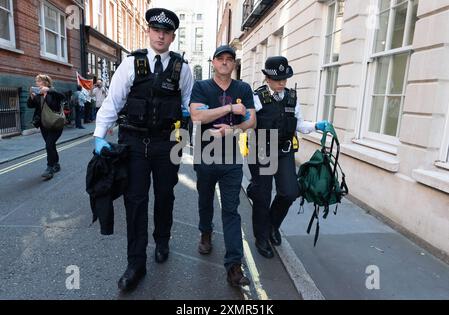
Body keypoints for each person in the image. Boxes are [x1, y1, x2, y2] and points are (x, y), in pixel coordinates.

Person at [93, 8, 193, 292]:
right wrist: (99, 137)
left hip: (167, 144)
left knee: (165, 196)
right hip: (134, 144)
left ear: (172, 36)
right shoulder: (130, 64)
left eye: (166, 32)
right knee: (134, 202)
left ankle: (162, 239)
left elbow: (188, 107)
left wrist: (182, 143)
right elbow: (112, 103)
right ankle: (135, 264)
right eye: (156, 30)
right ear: (149, 32)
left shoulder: (181, 68)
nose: (160, 35)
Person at [247, 56, 330, 258]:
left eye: (285, 78)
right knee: (263, 196)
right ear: (267, 78)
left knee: (290, 192)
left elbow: (299, 124)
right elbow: (247, 123)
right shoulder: (257, 98)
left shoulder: (292, 98)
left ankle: (273, 225)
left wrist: (315, 126)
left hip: (284, 151)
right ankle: (261, 237)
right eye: (278, 79)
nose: (282, 82)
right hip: (262, 151)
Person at [189, 45, 256, 287]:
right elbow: (197, 116)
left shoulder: (243, 88)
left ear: (234, 64)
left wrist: (233, 128)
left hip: (231, 159)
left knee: (231, 210)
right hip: (205, 154)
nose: (225, 62)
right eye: (220, 59)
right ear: (214, 62)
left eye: (229, 59)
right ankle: (206, 232)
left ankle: (234, 267)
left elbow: (252, 120)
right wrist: (229, 108)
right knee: (205, 200)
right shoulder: (201, 87)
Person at [27, 74, 66, 181]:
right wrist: (31, 97)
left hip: (56, 124)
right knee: (50, 145)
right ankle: (56, 164)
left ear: (45, 83)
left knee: (49, 145)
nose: (36, 83)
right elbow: (30, 106)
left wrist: (48, 90)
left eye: (38, 81)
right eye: (36, 81)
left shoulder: (53, 92)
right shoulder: (38, 95)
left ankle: (49, 168)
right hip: (44, 124)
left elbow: (63, 97)